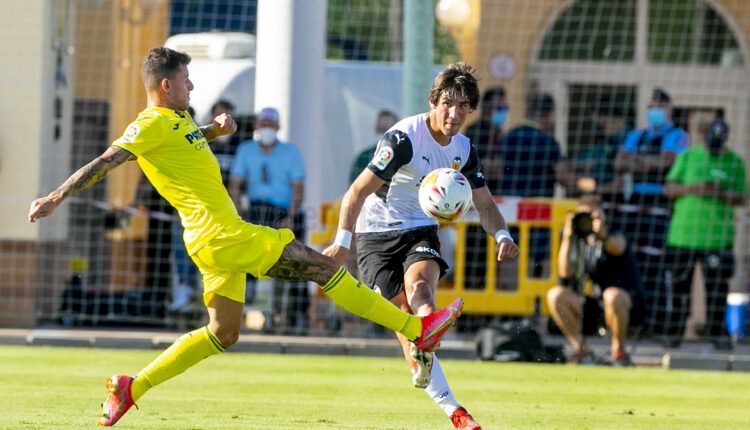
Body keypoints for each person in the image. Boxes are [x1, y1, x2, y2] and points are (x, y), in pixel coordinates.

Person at [27, 47, 463, 427]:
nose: (192, 86)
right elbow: (109, 158)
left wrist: (213, 133)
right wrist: (56, 195)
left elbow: (179, 147)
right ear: (164, 85)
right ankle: (415, 327)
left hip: (209, 243)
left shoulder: (176, 123)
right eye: (184, 80)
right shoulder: (149, 124)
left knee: (223, 333)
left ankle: (130, 387)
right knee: (325, 266)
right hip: (224, 234)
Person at [324, 62, 519, 430]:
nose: (454, 113)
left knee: (422, 290)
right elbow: (356, 192)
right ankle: (430, 365)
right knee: (406, 325)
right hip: (376, 236)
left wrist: (503, 235)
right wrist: (341, 243)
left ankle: (457, 411)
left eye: (463, 106)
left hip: (420, 229)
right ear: (433, 101)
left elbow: (486, 204)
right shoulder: (404, 139)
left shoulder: (464, 149)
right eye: (448, 103)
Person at [660, 118, 747, 346]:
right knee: (679, 289)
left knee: (717, 290)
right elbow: (668, 188)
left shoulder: (734, 162)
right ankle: (673, 333)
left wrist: (720, 192)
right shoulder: (688, 157)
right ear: (703, 136)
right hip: (682, 237)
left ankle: (718, 334)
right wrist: (694, 188)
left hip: (717, 239)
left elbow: (742, 197)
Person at [613, 87, 688, 336]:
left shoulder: (678, 135)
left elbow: (669, 162)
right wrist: (647, 164)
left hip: (660, 206)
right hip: (634, 204)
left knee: (655, 266)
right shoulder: (637, 134)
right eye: (650, 106)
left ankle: (656, 323)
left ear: (668, 110)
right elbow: (619, 162)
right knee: (632, 263)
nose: (653, 111)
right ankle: (632, 321)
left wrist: (637, 164)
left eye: (658, 106)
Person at [228, 107, 308, 330]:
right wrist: (238, 214)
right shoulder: (246, 150)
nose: (266, 128)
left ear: (278, 127)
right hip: (255, 210)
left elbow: (298, 187)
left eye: (270, 124)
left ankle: (289, 314)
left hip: (283, 211)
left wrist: (291, 217)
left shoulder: (290, 152)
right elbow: (235, 184)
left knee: (292, 262)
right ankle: (247, 310)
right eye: (262, 124)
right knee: (247, 261)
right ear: (256, 126)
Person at [547, 194, 646, 366]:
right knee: (555, 295)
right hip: (594, 306)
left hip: (626, 304)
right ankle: (582, 351)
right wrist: (568, 237)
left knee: (611, 295)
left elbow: (617, 248)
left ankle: (619, 353)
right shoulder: (579, 240)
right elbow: (565, 273)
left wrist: (603, 234)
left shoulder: (615, 232)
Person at [497, 93, 566, 278]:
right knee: (542, 256)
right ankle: (541, 300)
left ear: (528, 111)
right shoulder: (548, 142)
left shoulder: (509, 137)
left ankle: (508, 300)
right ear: (550, 114)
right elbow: (562, 176)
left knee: (511, 252)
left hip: (510, 210)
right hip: (539, 212)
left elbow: (495, 168)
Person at [564, 96, 630, 198]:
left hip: (617, 200)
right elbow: (599, 163)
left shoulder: (628, 140)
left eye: (596, 121)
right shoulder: (607, 141)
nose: (595, 125)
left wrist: (596, 190)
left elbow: (625, 179)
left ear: (604, 118)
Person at [463, 86, 508, 194]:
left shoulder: (501, 134)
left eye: (505, 108)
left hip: (499, 192)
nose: (503, 112)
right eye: (499, 108)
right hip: (477, 191)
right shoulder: (474, 131)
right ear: (486, 108)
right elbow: (474, 164)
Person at [349, 109, 399, 184]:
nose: (384, 134)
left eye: (388, 130)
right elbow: (352, 186)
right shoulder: (364, 157)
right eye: (381, 129)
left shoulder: (403, 158)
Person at [208, 99, 241, 188]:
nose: (224, 122)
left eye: (228, 118)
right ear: (211, 118)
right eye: (219, 116)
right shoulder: (202, 141)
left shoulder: (240, 144)